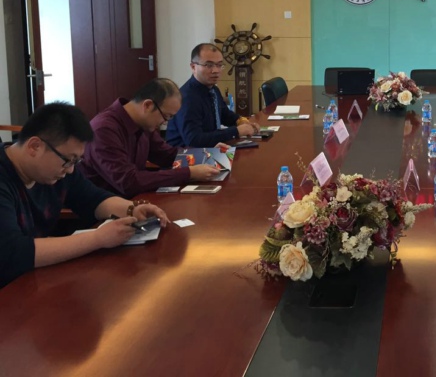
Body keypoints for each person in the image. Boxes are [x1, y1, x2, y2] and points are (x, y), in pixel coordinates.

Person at [0, 102, 169, 288]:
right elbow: (13, 253)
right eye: (68, 160)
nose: (71, 170)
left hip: (34, 278)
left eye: (76, 161)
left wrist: (132, 209)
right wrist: (97, 239)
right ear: (34, 147)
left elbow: (93, 197)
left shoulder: (55, 171)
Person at [80, 78, 222, 197]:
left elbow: (167, 155)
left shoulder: (143, 124)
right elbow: (128, 182)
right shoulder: (104, 129)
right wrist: (189, 173)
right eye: (166, 116)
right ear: (147, 105)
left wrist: (208, 154)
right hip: (105, 208)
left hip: (134, 199)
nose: (165, 122)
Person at [166, 43, 259, 147]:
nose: (216, 70)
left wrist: (241, 121)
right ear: (193, 67)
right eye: (209, 65)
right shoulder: (187, 97)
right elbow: (194, 139)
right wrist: (236, 131)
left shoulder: (213, 89)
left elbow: (224, 114)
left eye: (219, 65)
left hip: (210, 149)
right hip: (186, 153)